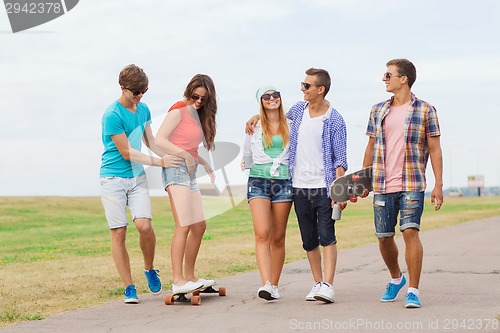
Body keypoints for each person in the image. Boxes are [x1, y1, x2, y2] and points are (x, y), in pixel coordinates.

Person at [246, 68, 348, 303]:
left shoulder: (335, 119)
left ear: (320, 90)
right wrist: (253, 116)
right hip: (298, 186)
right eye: (303, 85)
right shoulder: (298, 112)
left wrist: (339, 190)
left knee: (327, 236)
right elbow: (272, 116)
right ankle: (317, 283)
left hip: (324, 186)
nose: (302, 89)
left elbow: (340, 159)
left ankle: (328, 285)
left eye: (306, 86)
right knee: (309, 239)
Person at [361, 58, 443, 308]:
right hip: (383, 184)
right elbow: (371, 146)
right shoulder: (377, 110)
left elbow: (435, 149)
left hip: (412, 182)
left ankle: (414, 290)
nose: (385, 79)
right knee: (384, 237)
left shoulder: (426, 110)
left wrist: (438, 185)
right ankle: (396, 278)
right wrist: (363, 180)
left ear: (403, 78)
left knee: (409, 231)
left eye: (389, 75)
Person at [100, 64, 183, 303]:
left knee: (144, 226)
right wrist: (160, 163)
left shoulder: (143, 108)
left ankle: (149, 268)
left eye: (143, 92)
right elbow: (126, 152)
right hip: (112, 178)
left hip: (137, 178)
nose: (139, 96)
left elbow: (151, 141)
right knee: (119, 232)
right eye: (135, 92)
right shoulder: (112, 115)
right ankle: (129, 287)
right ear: (123, 87)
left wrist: (176, 155)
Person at [155, 74, 217, 295]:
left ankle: (190, 276)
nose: (199, 101)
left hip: (189, 173)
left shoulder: (197, 115)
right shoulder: (178, 110)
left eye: (203, 99)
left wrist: (203, 163)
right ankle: (178, 280)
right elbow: (160, 140)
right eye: (195, 96)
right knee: (183, 225)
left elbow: (189, 146)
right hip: (175, 170)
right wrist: (185, 156)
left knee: (199, 226)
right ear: (188, 91)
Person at [242, 86, 293, 301]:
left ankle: (275, 284)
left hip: (284, 183)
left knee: (278, 237)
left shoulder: (291, 124)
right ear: (260, 101)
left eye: (275, 95)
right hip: (258, 182)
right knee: (262, 233)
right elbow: (247, 155)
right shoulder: (253, 126)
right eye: (267, 96)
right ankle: (266, 284)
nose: (272, 99)